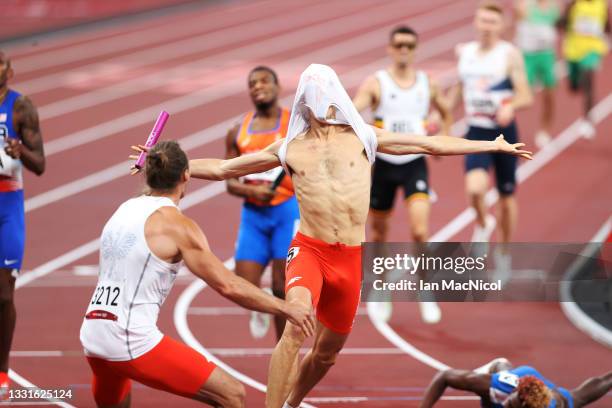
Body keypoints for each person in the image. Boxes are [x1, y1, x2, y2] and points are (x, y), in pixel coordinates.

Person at [171, 64, 531, 408]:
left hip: (350, 258)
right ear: (302, 104)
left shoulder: (364, 137)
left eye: (323, 94)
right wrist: (163, 162)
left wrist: (491, 146)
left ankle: (293, 402)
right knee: (296, 324)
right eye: (309, 96)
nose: (318, 102)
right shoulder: (289, 147)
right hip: (310, 250)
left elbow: (430, 144)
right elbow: (222, 169)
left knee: (326, 354)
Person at [81, 141, 314, 407]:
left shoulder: (124, 209)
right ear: (186, 175)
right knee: (231, 395)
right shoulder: (179, 227)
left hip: (93, 333)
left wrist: (156, 162)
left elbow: (204, 172)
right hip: (129, 339)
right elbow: (228, 286)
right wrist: (285, 308)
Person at [353, 25, 452, 324]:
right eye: (399, 45)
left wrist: (442, 141)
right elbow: (354, 111)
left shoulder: (428, 83)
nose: (404, 50)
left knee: (420, 231)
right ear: (390, 48)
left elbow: (446, 111)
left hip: (414, 165)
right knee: (379, 233)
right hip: (383, 165)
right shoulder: (377, 83)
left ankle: (425, 287)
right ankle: (382, 287)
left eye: (410, 45)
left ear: (416, 49)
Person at [447, 1, 533, 258]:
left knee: (506, 199)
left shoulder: (509, 54)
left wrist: (510, 105)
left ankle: (504, 252)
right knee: (474, 189)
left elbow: (526, 95)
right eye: (483, 20)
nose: (487, 26)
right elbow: (459, 89)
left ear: (501, 26)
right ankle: (485, 223)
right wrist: (442, 115)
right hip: (477, 131)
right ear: (475, 22)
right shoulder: (466, 53)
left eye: (492, 22)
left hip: (505, 135)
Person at [224, 66, 299, 340]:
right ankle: (261, 305)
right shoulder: (237, 132)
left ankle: (282, 352)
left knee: (282, 286)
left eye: (264, 81)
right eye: (252, 83)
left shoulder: (294, 126)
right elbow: (230, 181)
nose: (258, 86)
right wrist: (253, 193)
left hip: (286, 211)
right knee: (242, 286)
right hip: (253, 215)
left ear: (278, 87)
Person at [0, 50, 45, 400]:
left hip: (7, 205)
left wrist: (20, 151)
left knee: (2, 295)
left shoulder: (21, 107)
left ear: (10, 71)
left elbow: (40, 163)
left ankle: (2, 374)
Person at [420, 358, 612, 407]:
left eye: (512, 407)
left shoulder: (555, 404)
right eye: (510, 402)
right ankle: (499, 364)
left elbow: (588, 391)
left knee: (579, 398)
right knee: (494, 390)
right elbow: (444, 376)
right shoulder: (501, 388)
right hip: (517, 378)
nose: (507, 405)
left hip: (548, 394)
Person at [559, 0, 610, 139]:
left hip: (592, 49)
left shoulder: (601, 5)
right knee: (574, 87)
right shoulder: (575, 4)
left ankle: (588, 120)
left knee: (588, 82)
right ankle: (575, 82)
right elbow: (561, 24)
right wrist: (566, 13)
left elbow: (607, 26)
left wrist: (605, 37)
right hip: (573, 50)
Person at [514, 0, 561, 148]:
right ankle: (506, 129)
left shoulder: (554, 8)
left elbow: (557, 28)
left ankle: (544, 131)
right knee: (523, 96)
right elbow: (515, 22)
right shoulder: (525, 7)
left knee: (550, 96)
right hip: (528, 56)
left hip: (547, 56)